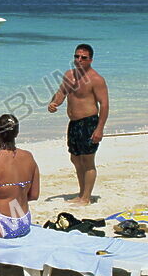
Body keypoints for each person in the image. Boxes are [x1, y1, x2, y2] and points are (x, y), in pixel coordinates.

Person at [47, 43, 109, 206]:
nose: (79, 60)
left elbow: (104, 104)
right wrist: (54, 104)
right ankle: (82, 192)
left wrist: (99, 129)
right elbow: (61, 92)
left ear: (91, 60)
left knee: (88, 161)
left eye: (83, 57)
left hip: (89, 123)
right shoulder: (69, 75)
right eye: (76, 56)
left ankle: (86, 198)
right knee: (75, 158)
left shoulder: (96, 79)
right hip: (73, 123)